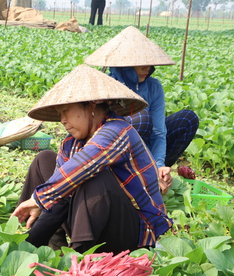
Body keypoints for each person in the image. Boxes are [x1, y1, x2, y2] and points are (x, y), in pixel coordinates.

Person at [13, 65, 172, 254]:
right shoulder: (71, 144)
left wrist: (38, 199)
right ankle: (50, 246)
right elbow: (60, 195)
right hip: (94, 223)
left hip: (133, 234)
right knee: (44, 160)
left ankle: (80, 259)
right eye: (59, 114)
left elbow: (85, 165)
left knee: (93, 177)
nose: (62, 120)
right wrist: (26, 247)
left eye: (66, 111)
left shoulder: (118, 130)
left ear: (92, 106)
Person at [84, 26, 199, 193]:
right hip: (116, 150)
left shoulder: (154, 87)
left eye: (149, 63)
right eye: (141, 64)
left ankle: (156, 174)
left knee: (187, 119)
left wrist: (158, 164)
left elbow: (159, 132)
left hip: (147, 144)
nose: (148, 68)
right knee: (141, 116)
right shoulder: (109, 84)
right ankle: (130, 176)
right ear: (126, 63)